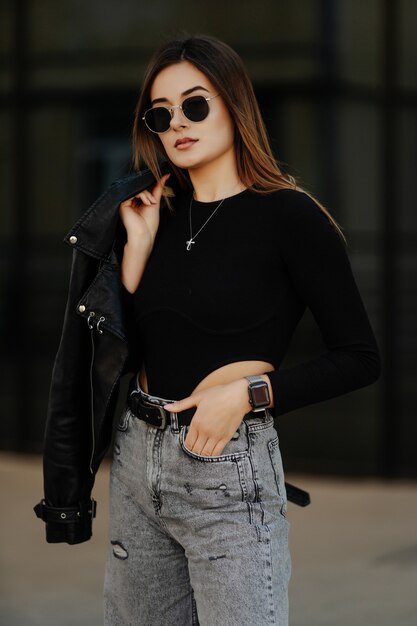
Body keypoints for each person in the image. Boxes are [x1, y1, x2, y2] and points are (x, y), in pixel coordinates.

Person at [34, 35, 381, 626]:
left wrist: (248, 397)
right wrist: (137, 255)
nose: (178, 124)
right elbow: (132, 351)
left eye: (195, 105)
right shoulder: (152, 215)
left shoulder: (291, 217)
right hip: (139, 461)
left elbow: (359, 357)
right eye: (161, 114)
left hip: (228, 466)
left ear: (234, 104)